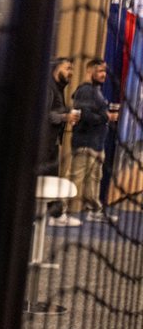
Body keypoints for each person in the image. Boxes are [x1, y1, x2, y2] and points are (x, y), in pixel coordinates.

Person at [69, 57, 118, 222]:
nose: (104, 74)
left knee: (94, 181)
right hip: (85, 144)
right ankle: (59, 212)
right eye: (100, 71)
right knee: (75, 179)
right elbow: (84, 115)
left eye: (105, 71)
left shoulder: (96, 91)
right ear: (90, 71)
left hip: (97, 144)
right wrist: (107, 117)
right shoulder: (85, 90)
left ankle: (94, 210)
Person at [45, 57, 81, 227]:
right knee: (46, 179)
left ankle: (55, 214)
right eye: (67, 68)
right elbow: (45, 115)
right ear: (56, 69)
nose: (70, 72)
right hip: (42, 144)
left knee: (50, 179)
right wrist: (65, 116)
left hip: (50, 143)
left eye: (72, 69)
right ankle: (55, 215)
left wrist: (68, 112)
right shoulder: (49, 88)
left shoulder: (58, 88)